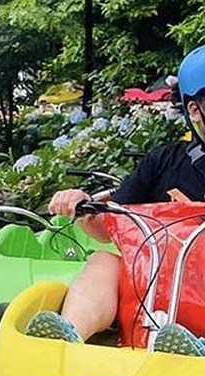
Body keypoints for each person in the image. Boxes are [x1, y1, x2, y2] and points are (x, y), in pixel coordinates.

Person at [26, 45, 205, 356]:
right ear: (194, 110)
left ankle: (194, 348)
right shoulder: (163, 162)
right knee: (104, 261)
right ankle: (67, 341)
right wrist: (81, 204)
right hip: (160, 287)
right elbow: (109, 226)